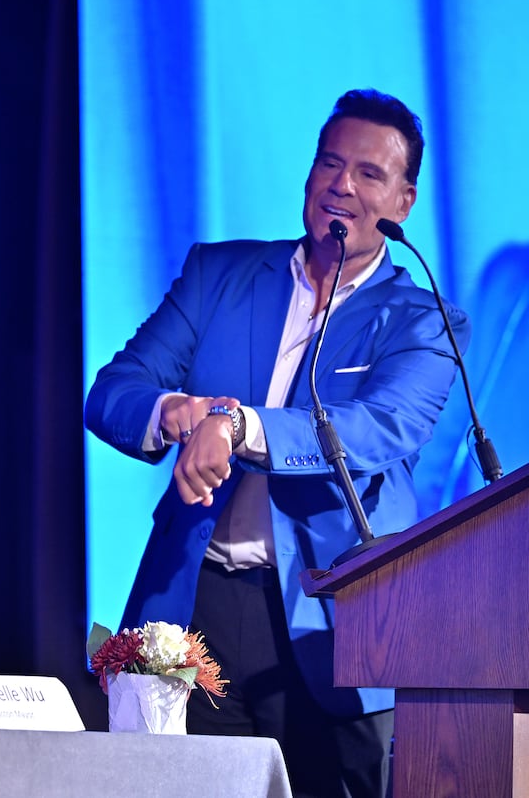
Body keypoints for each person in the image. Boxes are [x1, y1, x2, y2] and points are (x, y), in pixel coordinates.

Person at [84, 89, 467, 797]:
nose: (341, 185)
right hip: (196, 606)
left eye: (369, 174)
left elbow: (379, 426)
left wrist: (234, 423)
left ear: (404, 202)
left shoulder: (423, 322)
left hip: (332, 620)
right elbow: (113, 392)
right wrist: (177, 411)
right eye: (329, 163)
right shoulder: (219, 276)